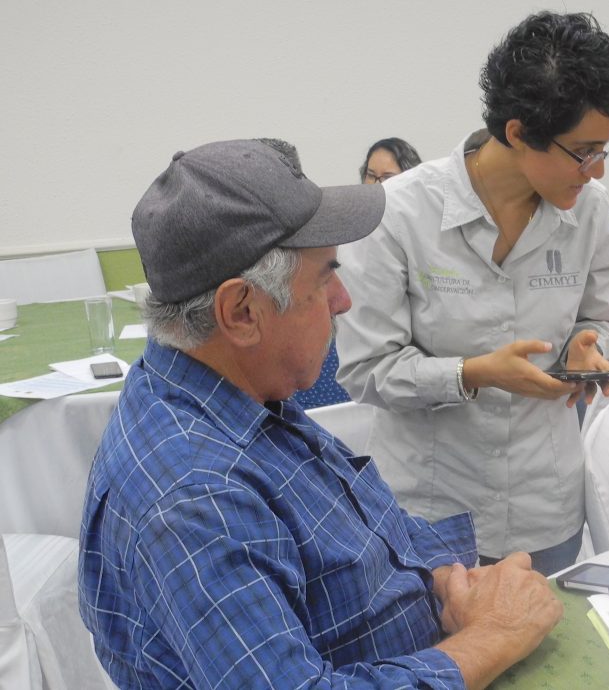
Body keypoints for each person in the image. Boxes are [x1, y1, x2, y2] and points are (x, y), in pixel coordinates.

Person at [79, 138, 563, 689]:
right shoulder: (195, 494)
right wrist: (492, 635)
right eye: (325, 276)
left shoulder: (236, 395)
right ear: (241, 312)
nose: (344, 300)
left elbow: (362, 555)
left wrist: (449, 584)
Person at [336, 11, 609, 576]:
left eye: (606, 147)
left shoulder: (592, 211)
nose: (596, 168)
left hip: (544, 507)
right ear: (517, 132)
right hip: (431, 512)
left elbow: (601, 320)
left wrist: (587, 345)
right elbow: (366, 370)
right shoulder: (399, 213)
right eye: (583, 150)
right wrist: (474, 372)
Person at [293, 136, 423, 409]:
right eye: (370, 176)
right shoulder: (349, 233)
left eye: (387, 177)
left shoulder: (421, 242)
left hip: (395, 367)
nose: (376, 185)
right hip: (346, 350)